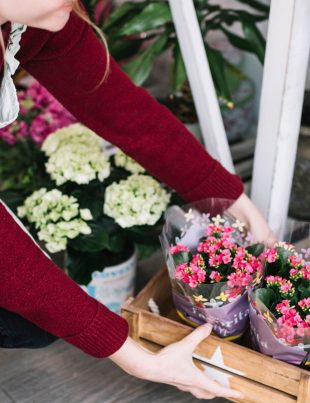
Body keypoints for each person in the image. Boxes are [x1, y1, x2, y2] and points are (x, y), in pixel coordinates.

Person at [0, 1, 274, 400]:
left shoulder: (35, 14)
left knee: (30, 323)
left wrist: (239, 206)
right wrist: (133, 355)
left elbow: (121, 108)